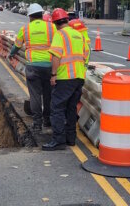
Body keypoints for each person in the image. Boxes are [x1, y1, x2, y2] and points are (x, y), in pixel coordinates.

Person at [42, 8, 89, 151]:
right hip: (79, 76)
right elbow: (86, 54)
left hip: (65, 77)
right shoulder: (78, 35)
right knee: (71, 107)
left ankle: (58, 140)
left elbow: (56, 55)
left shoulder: (60, 34)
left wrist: (53, 74)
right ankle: (70, 138)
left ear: (55, 23)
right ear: (67, 20)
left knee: (57, 108)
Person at [9, 3, 56, 132]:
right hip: (49, 67)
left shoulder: (25, 29)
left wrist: (11, 54)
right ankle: (47, 120)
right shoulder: (52, 27)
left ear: (29, 16)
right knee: (48, 95)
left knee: (35, 96)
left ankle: (37, 123)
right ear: (42, 15)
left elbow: (17, 46)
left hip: (33, 67)